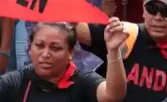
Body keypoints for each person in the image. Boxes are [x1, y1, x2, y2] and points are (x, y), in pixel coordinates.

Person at [76, 0, 167, 102]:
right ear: (143, 10)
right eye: (152, 9)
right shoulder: (125, 34)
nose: (158, 17)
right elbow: (70, 24)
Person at [0, 21, 128, 102]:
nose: (45, 54)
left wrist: (113, 51)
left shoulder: (83, 82)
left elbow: (112, 96)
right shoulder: (15, 82)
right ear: (29, 48)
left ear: (71, 53)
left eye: (55, 48)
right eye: (39, 45)